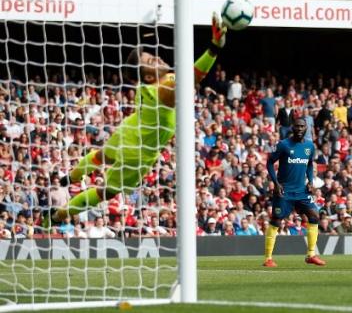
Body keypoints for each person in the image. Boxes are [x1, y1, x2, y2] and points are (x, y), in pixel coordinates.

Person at [43, 13, 229, 228]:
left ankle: (70, 178)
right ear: (148, 76)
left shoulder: (147, 85)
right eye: (151, 61)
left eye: (153, 56)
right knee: (106, 191)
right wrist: (214, 47)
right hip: (139, 153)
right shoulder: (164, 89)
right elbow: (192, 78)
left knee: (102, 155)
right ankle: (57, 216)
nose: (158, 58)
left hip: (130, 129)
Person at [263, 117, 326, 267]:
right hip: (284, 191)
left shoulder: (310, 146)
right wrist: (276, 183)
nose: (299, 129)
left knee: (314, 215)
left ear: (306, 129)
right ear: (292, 127)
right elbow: (270, 162)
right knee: (276, 221)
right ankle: (268, 258)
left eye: (302, 127)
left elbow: (310, 164)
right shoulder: (283, 145)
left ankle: (311, 254)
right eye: (297, 126)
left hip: (302, 191)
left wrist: (310, 181)